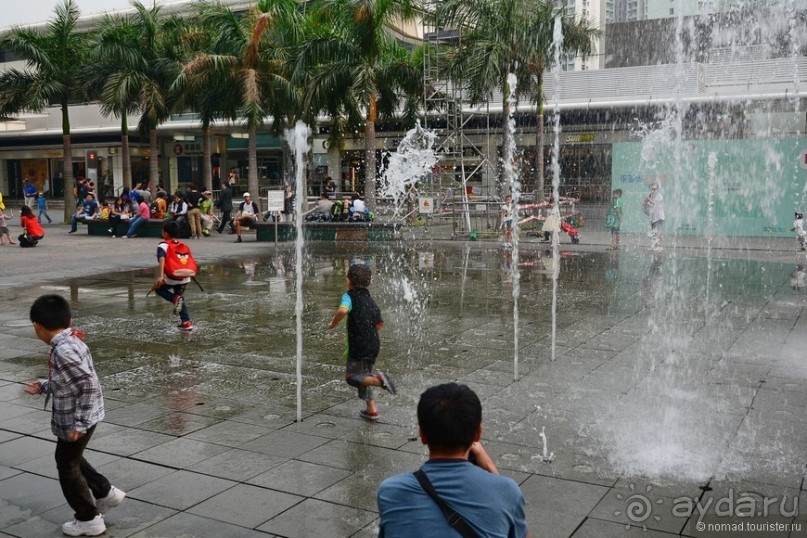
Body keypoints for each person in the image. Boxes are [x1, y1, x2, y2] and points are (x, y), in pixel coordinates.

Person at [24, 294, 126, 537]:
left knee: (67, 466)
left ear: (37, 327)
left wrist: (80, 423)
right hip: (82, 415)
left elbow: (88, 385)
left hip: (77, 418)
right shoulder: (70, 341)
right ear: (69, 320)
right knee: (71, 456)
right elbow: (68, 380)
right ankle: (105, 492)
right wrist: (44, 385)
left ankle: (88, 519)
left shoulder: (63, 350)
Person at [377, 383, 530, 538]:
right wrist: (490, 467)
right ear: (478, 434)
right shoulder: (508, 492)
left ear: (422, 435)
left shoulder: (390, 491)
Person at [327, 264, 396, 421]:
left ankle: (379, 381)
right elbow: (380, 324)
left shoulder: (349, 296)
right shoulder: (371, 302)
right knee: (364, 376)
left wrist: (333, 323)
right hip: (373, 344)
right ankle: (372, 410)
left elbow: (343, 310)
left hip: (358, 346)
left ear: (348, 281)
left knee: (351, 377)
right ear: (369, 283)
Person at [153, 221, 193, 331]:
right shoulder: (181, 245)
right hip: (185, 276)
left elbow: (162, 259)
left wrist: (160, 276)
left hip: (172, 277)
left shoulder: (162, 245)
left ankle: (175, 299)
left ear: (165, 234)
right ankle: (186, 321)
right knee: (179, 297)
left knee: (159, 290)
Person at [644, 181, 665, 251]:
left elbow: (656, 203)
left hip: (659, 217)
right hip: (653, 217)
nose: (653, 190)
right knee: (653, 232)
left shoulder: (659, 195)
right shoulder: (650, 195)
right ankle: (653, 246)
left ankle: (659, 246)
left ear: (657, 189)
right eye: (652, 189)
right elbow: (646, 204)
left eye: (654, 189)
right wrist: (645, 203)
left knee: (658, 232)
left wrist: (648, 199)